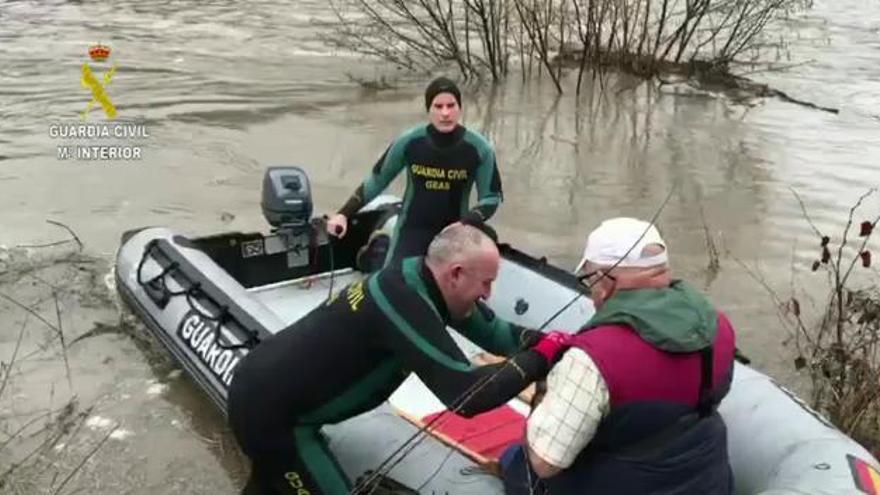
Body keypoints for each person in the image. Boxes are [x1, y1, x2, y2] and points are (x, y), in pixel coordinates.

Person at [227, 222, 569, 495]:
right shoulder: (404, 301)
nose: (488, 294)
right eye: (486, 283)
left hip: (269, 391)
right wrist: (540, 358)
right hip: (273, 419)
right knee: (287, 473)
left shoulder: (426, 281)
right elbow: (467, 394)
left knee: (271, 484)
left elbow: (501, 336)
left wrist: (563, 345)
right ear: (456, 273)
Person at [500, 217, 737, 494]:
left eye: (590, 279)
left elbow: (545, 463)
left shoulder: (592, 359)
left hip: (623, 483)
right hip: (705, 481)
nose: (592, 294)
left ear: (604, 280)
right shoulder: (719, 327)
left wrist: (544, 397)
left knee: (516, 462)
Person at [326, 76, 503, 267]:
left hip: (454, 234)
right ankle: (376, 254)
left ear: (459, 108)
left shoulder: (478, 148)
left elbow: (492, 197)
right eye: (438, 106)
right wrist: (343, 214)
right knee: (396, 287)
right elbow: (377, 180)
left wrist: (469, 220)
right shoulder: (409, 142)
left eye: (451, 106)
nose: (445, 113)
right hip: (411, 230)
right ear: (429, 109)